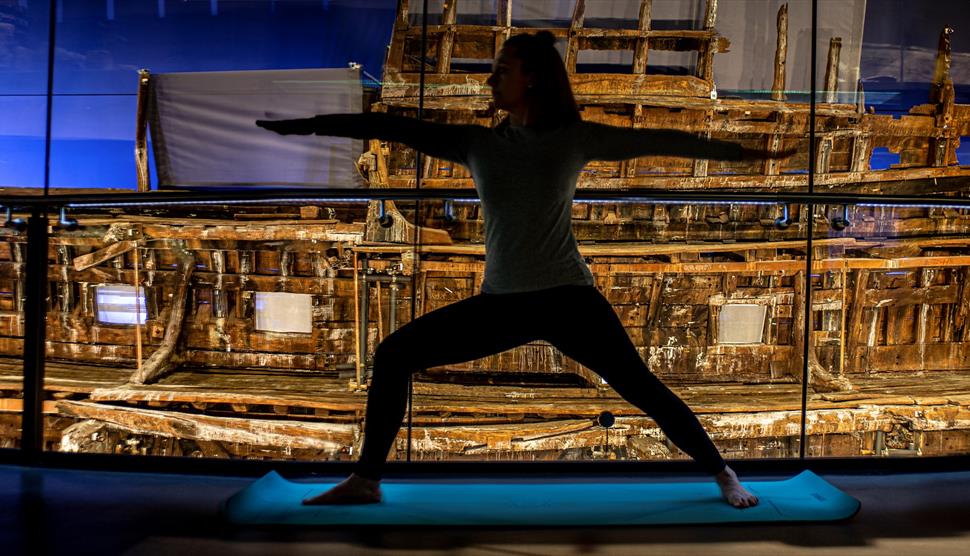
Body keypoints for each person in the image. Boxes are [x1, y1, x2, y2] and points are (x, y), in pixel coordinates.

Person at [257, 31, 793, 509]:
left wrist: (753, 156)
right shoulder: (477, 143)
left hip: (568, 298)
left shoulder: (574, 139)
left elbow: (666, 142)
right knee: (393, 355)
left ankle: (723, 474)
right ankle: (366, 480)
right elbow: (387, 126)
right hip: (505, 303)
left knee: (642, 388)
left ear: (532, 80)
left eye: (502, 70)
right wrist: (304, 127)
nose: (491, 79)